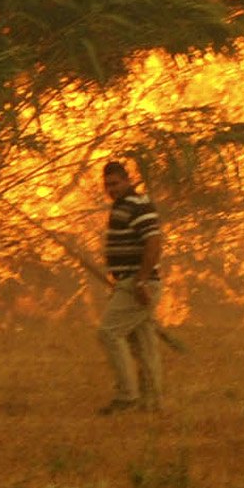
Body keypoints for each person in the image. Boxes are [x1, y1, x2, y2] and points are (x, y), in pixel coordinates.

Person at [95, 159, 165, 414]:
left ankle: (127, 397)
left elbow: (154, 243)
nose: (111, 189)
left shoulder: (138, 205)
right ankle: (152, 401)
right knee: (144, 341)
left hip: (138, 283)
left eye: (115, 183)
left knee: (109, 333)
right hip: (128, 281)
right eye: (107, 185)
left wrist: (141, 280)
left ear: (127, 180)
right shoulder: (122, 207)